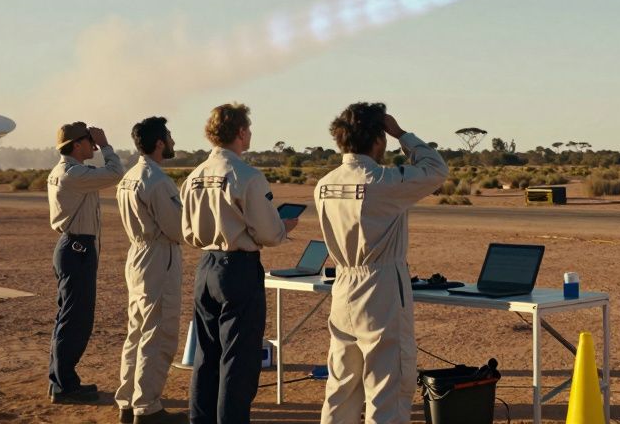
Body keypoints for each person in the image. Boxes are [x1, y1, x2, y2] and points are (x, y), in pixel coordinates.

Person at [314, 103, 448, 424]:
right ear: (378, 139)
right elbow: (436, 169)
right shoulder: (382, 181)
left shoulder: (324, 185)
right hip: (381, 290)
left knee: (341, 387)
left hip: (343, 288)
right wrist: (402, 134)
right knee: (388, 386)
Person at [181, 103, 296, 424]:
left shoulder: (195, 175)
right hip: (239, 268)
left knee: (206, 355)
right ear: (242, 132)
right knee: (238, 359)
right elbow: (268, 232)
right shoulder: (246, 175)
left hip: (206, 266)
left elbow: (188, 231)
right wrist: (283, 228)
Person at [47, 121, 125, 404]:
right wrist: (106, 145)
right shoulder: (73, 174)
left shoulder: (67, 171)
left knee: (68, 317)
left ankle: (61, 380)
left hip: (72, 247)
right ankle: (65, 385)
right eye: (88, 142)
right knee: (75, 319)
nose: (92, 147)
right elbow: (116, 172)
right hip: (77, 249)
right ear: (76, 145)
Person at [115, 116, 186, 424]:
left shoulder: (130, 176)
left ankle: (128, 402)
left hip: (138, 255)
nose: (172, 141)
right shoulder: (156, 180)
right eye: (168, 136)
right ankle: (148, 408)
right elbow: (177, 227)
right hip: (158, 256)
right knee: (158, 334)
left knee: (137, 333)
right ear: (159, 142)